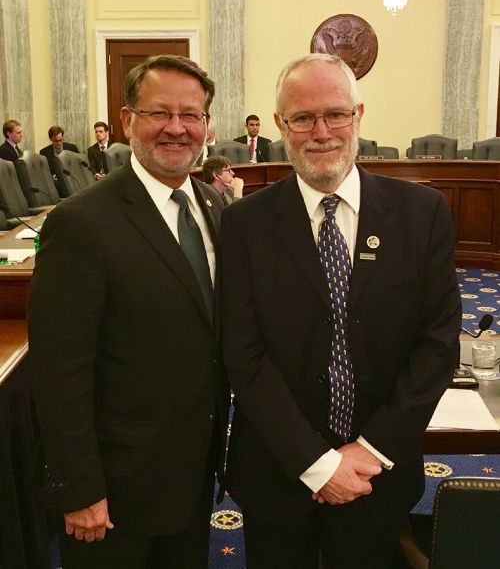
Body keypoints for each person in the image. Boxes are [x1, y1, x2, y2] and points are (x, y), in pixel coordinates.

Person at [221, 53, 461, 568]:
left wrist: (370, 450)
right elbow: (244, 354)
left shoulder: (423, 214)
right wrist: (315, 462)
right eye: (302, 118)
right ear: (281, 124)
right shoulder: (244, 224)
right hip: (279, 477)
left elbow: (438, 344)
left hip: (378, 477)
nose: (321, 131)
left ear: (359, 114)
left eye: (336, 114)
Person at [29, 54, 230, 569]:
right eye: (159, 112)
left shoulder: (214, 206)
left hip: (193, 471)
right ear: (127, 120)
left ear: (207, 126)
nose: (176, 128)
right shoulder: (81, 223)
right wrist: (79, 487)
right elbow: (59, 370)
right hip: (115, 491)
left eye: (191, 115)